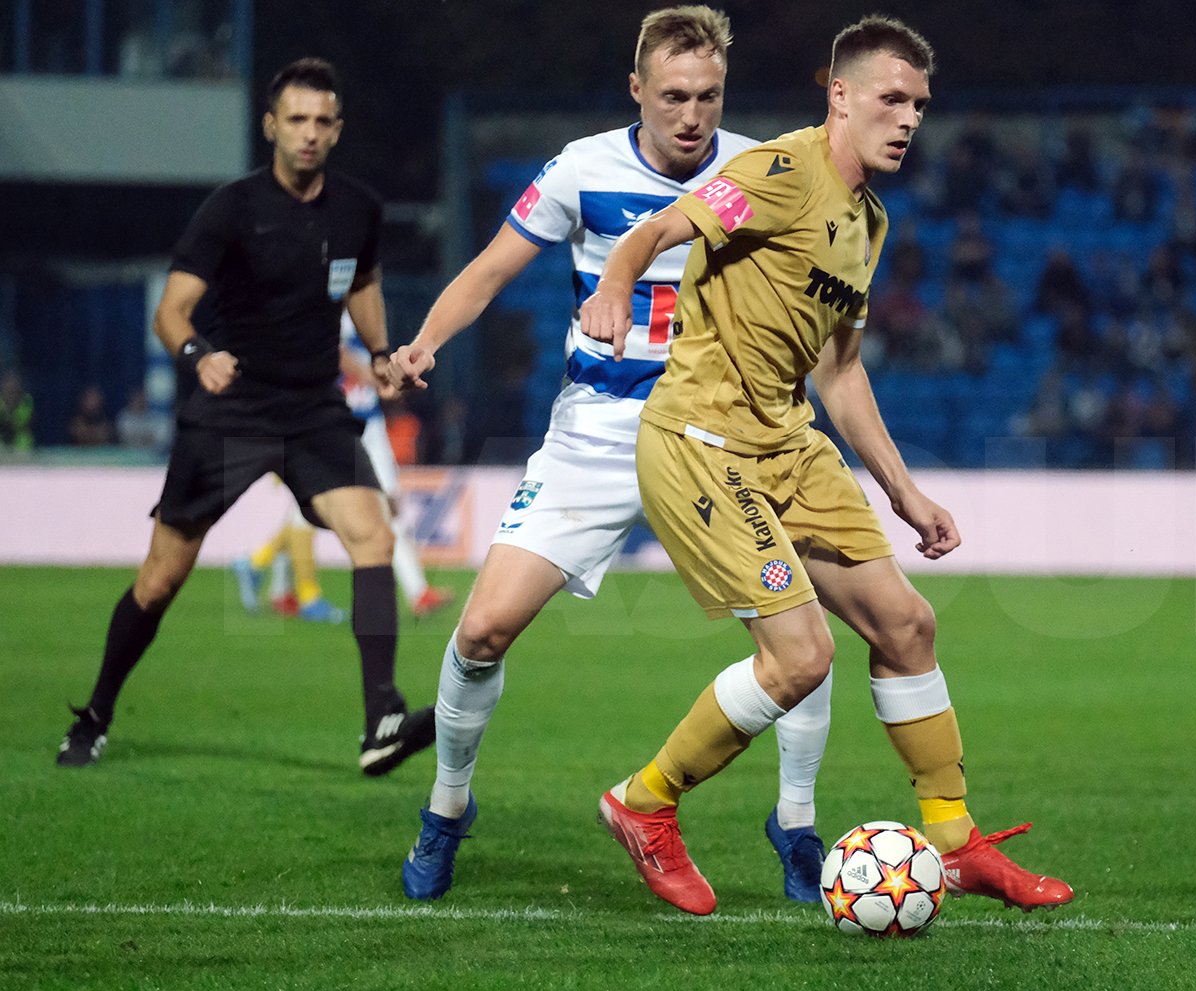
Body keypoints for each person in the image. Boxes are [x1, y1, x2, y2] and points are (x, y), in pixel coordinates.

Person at [565, 15, 1073, 916]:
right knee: (800, 656)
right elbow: (657, 231)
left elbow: (839, 373)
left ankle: (954, 844)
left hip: (792, 445)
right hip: (702, 442)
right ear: (838, 94)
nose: (910, 118)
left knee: (906, 625)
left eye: (920, 103)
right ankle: (643, 804)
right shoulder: (778, 171)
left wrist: (907, 493)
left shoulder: (867, 221)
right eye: (891, 98)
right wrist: (610, 288)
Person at [386, 7, 835, 904]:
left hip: (719, 435)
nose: (692, 115)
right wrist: (424, 341)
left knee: (798, 632)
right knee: (480, 631)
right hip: (598, 434)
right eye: (673, 95)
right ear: (637, 90)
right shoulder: (583, 169)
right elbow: (487, 270)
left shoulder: (757, 173)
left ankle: (794, 824)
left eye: (708, 96)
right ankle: (446, 808)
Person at [55, 59, 436, 776]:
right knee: (161, 579)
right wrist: (198, 353)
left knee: (373, 536)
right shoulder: (232, 209)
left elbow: (363, 281)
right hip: (229, 413)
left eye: (323, 121)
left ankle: (381, 716)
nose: (309, 134)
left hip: (314, 410)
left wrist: (382, 351)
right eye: (296, 120)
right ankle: (97, 713)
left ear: (338, 130)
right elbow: (172, 312)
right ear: (271, 126)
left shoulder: (358, 208)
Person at [232, 314, 455, 621]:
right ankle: (277, 579)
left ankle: (271, 577)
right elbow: (333, 351)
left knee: (351, 505)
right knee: (316, 504)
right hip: (334, 420)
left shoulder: (356, 299)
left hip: (365, 421)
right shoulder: (332, 295)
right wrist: (373, 375)